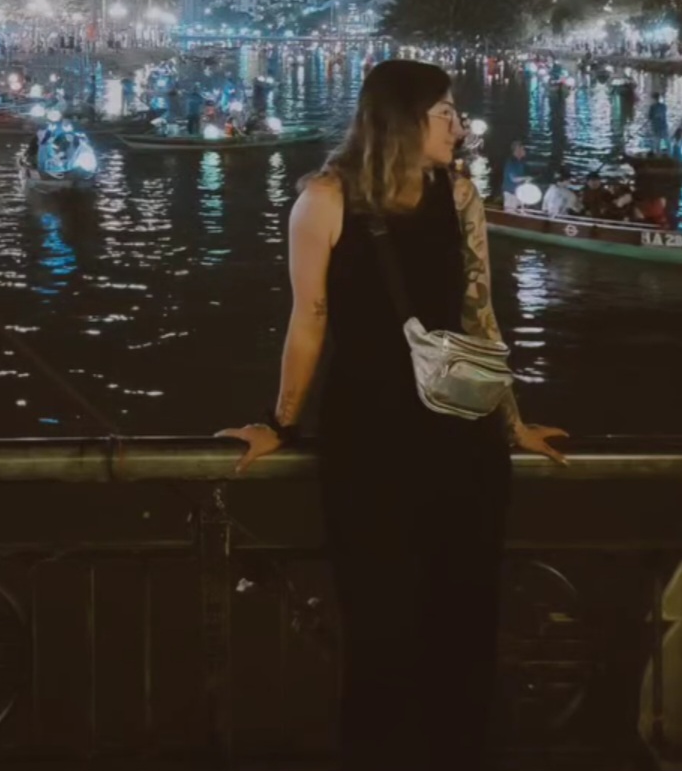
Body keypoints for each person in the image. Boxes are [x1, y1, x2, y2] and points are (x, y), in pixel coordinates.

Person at [218, 59, 567, 771]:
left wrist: (511, 421)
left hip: (426, 438)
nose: (458, 125)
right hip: (398, 439)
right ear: (403, 118)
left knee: (448, 623)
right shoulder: (328, 197)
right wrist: (276, 420)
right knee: (399, 625)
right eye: (445, 111)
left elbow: (476, 314)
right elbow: (309, 318)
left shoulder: (448, 191)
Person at [502, 140, 532, 211]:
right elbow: (513, 178)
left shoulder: (520, 162)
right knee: (510, 215)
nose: (524, 151)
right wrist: (526, 178)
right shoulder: (511, 162)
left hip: (518, 193)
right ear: (517, 150)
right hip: (511, 194)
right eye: (522, 149)